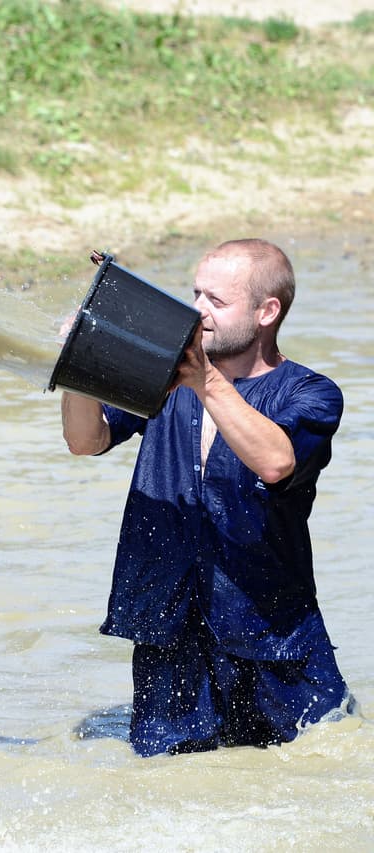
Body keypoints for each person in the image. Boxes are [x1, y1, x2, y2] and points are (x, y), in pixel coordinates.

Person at [62, 238, 353, 757]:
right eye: (195, 294)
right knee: (167, 784)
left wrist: (205, 381)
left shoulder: (313, 394)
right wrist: (79, 367)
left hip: (272, 636)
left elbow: (275, 460)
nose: (197, 312)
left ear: (267, 312)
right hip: (167, 631)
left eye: (215, 301)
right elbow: (86, 441)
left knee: (325, 759)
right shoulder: (163, 381)